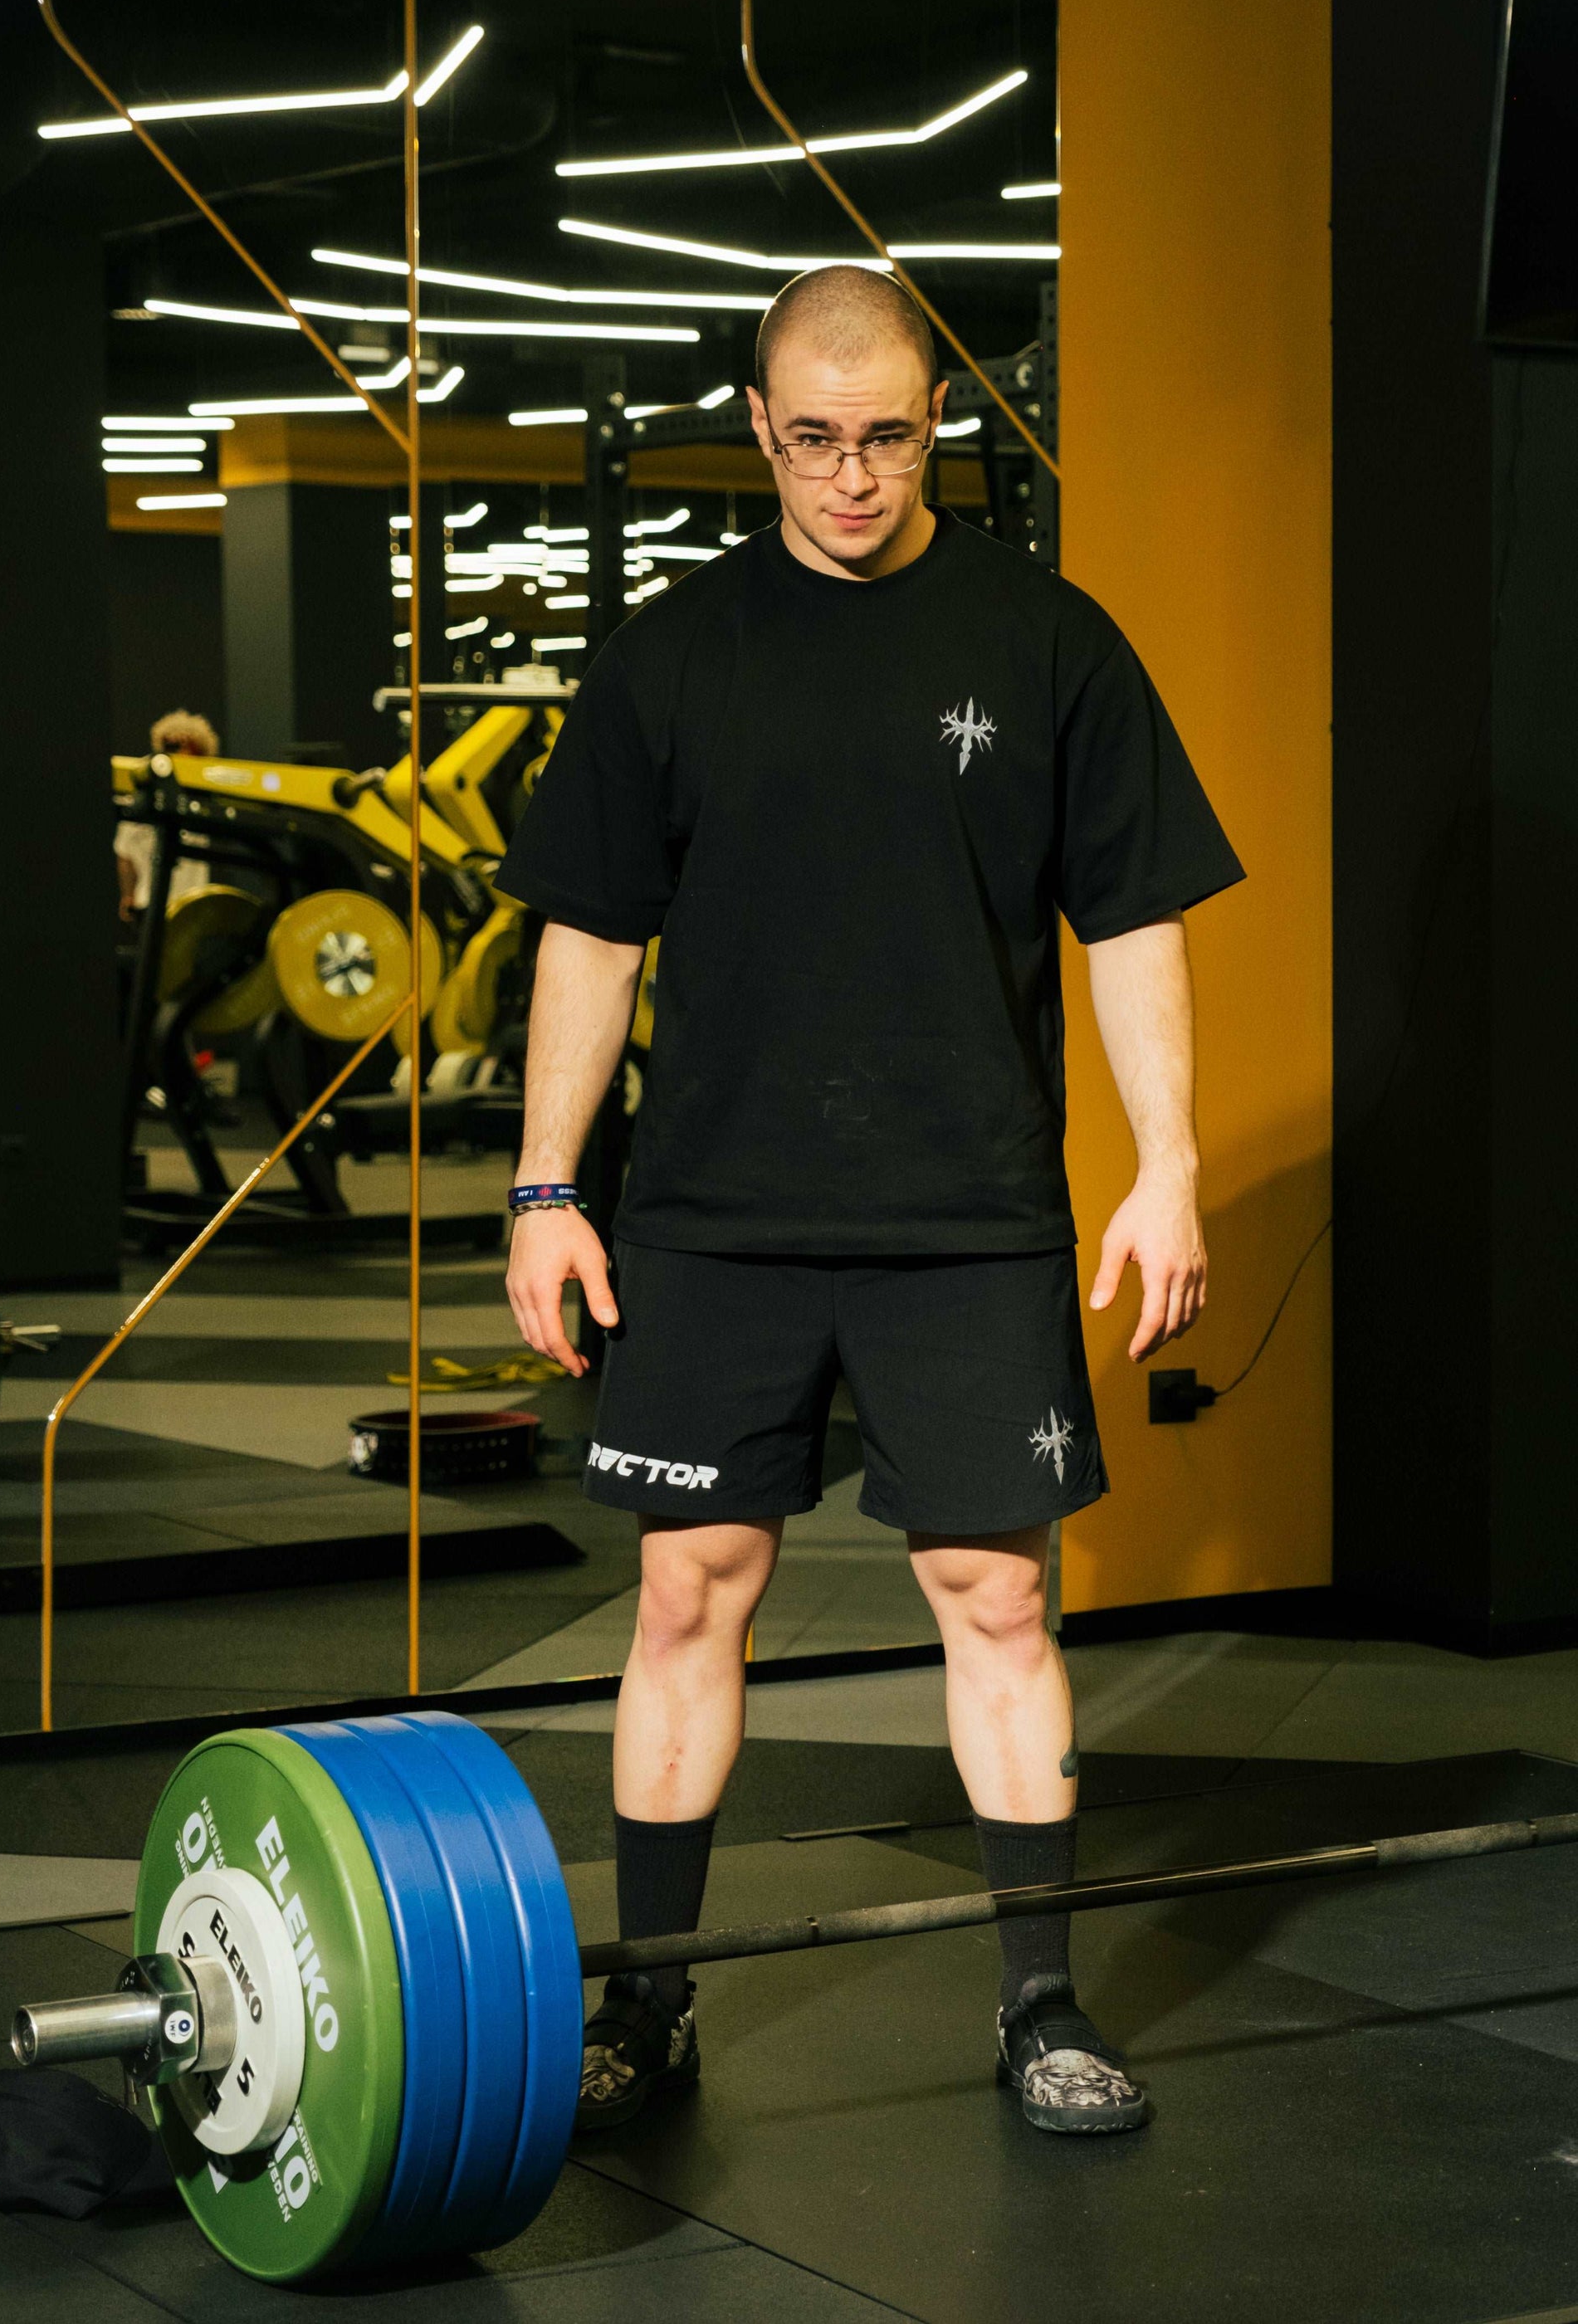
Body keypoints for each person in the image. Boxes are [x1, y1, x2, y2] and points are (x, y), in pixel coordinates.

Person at [501, 266, 1243, 2140]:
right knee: (690, 1588)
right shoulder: (671, 656)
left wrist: (1165, 1166)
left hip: (967, 1211)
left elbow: (1131, 919)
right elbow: (589, 936)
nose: (851, 476)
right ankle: (648, 2005)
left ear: (941, 426)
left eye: (889, 436)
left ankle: (1042, 2005)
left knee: (993, 1591)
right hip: (714, 1215)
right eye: (813, 438)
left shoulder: (1047, 640)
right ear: (760, 427)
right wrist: (543, 1187)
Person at [115, 710, 220, 920]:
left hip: (191, 909)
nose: (175, 753)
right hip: (149, 906)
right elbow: (124, 855)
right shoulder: (141, 799)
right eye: (169, 746)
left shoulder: (208, 801)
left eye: (182, 746)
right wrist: (128, 895)